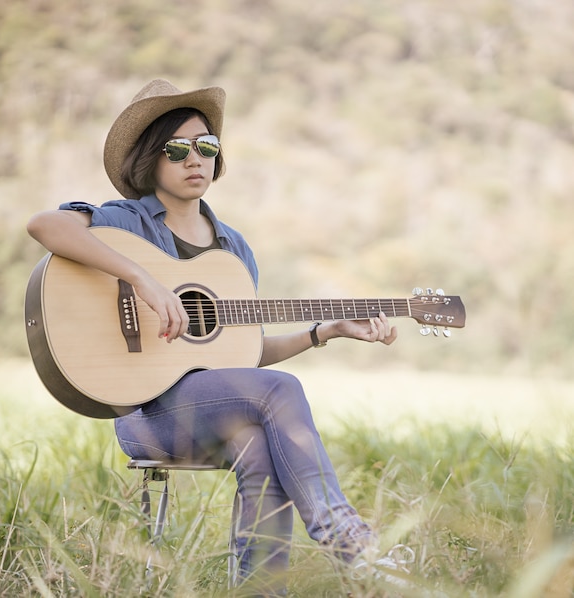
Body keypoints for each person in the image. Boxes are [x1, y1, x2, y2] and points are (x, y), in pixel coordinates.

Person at [27, 79, 407, 594]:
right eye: (177, 148)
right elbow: (46, 226)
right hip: (144, 412)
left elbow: (243, 357)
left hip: (212, 405)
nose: (194, 159)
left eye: (206, 146)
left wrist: (325, 331)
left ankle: (260, 590)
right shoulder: (127, 220)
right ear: (150, 159)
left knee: (259, 443)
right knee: (284, 391)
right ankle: (352, 546)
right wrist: (143, 279)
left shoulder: (233, 249)